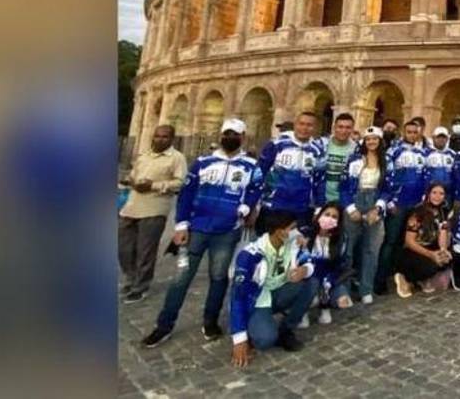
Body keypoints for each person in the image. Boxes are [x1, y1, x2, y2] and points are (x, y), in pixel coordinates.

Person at [143, 118, 263, 348]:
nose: (230, 138)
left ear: (243, 137)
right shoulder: (202, 162)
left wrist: (246, 207)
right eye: (227, 133)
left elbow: (255, 189)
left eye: (235, 134)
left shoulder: (250, 166)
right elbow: (186, 195)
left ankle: (210, 321)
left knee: (218, 278)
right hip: (197, 228)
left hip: (227, 230)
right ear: (220, 136)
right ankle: (164, 325)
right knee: (180, 279)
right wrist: (180, 225)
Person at [228, 211, 316, 367]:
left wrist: (305, 270)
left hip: (280, 291)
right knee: (265, 340)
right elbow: (238, 296)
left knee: (311, 283)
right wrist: (239, 339)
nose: (296, 232)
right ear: (279, 232)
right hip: (257, 300)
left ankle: (286, 330)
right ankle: (251, 327)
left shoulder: (293, 244)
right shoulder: (250, 255)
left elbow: (309, 260)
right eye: (292, 228)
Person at [119, 124, 186, 303]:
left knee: (145, 250)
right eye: (157, 136)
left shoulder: (177, 158)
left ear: (172, 139)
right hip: (132, 206)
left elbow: (180, 182)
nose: (159, 139)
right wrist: (130, 181)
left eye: (164, 137)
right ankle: (130, 277)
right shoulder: (144, 156)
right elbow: (133, 175)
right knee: (124, 247)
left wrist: (154, 185)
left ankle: (140, 286)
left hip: (155, 208)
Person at [376, 120, 428, 294]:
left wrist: (422, 199)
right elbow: (387, 176)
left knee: (405, 242)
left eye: (415, 132)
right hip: (397, 204)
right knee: (390, 241)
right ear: (404, 132)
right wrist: (390, 201)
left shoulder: (422, 152)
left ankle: (399, 275)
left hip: (415, 205)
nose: (412, 134)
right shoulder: (393, 151)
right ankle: (381, 278)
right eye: (409, 132)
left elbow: (424, 178)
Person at [339, 126, 389, 304]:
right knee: (348, 249)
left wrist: (378, 209)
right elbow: (343, 186)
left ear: (380, 141)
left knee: (371, 250)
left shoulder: (386, 161)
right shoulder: (354, 160)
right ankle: (342, 289)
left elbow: (387, 189)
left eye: (375, 139)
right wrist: (350, 208)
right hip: (356, 199)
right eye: (368, 139)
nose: (371, 142)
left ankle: (365, 288)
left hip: (374, 202)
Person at [256, 111, 326, 231]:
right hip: (273, 205)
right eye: (301, 124)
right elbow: (260, 172)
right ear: (295, 125)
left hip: (302, 209)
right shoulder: (276, 144)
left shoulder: (318, 151)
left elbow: (320, 181)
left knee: (293, 247)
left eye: (309, 125)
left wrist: (319, 207)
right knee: (266, 246)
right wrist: (255, 204)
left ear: (315, 128)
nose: (304, 128)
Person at [393, 182, 453, 297]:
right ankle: (404, 277)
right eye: (434, 193)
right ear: (428, 194)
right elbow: (409, 241)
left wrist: (443, 250)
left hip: (430, 247)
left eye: (441, 194)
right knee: (430, 266)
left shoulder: (443, 212)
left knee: (447, 259)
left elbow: (443, 233)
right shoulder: (417, 213)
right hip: (413, 251)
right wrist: (431, 254)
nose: (437, 196)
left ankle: (420, 280)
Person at [305, 202, 352, 325]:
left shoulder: (342, 239)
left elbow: (341, 265)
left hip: (329, 279)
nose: (329, 218)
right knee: (311, 297)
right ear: (320, 215)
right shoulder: (307, 234)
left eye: (334, 217)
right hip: (308, 279)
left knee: (343, 301)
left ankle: (325, 307)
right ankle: (302, 311)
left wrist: (329, 281)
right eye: (327, 214)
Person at [321, 113, 357, 204]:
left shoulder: (357, 149)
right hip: (321, 199)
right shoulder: (322, 145)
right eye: (340, 127)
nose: (343, 131)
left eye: (348, 127)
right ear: (334, 127)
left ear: (352, 129)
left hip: (345, 201)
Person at [424, 126, 456, 204]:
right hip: (431, 194)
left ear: (447, 139)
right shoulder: (425, 153)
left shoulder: (453, 154)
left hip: (448, 194)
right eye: (438, 137)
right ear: (433, 138)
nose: (441, 140)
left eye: (444, 137)